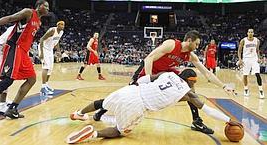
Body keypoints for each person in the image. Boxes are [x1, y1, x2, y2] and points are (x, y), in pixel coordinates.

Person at [94, 30, 235, 134]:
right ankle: (101, 109)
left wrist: (223, 86)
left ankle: (196, 121)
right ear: (190, 40)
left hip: (164, 73)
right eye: (197, 44)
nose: (197, 47)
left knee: (189, 87)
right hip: (147, 71)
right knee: (126, 96)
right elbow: (148, 59)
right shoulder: (171, 44)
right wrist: (149, 81)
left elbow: (206, 73)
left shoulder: (190, 56)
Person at [67, 69, 239, 144]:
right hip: (138, 105)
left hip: (131, 90)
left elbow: (147, 78)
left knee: (101, 103)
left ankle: (79, 113)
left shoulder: (168, 74)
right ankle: (94, 134)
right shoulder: (188, 92)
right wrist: (228, 119)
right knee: (119, 130)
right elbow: (207, 110)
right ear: (191, 81)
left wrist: (138, 86)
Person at [0, 0, 49, 130]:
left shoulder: (39, 22)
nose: (47, 8)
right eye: (45, 5)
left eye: (48, 6)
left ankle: (12, 109)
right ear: (38, 6)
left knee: (32, 79)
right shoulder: (28, 13)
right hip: (15, 48)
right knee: (7, 80)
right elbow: (11, 18)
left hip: (23, 51)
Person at [0, 25, 15, 114]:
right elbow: (6, 44)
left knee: (6, 76)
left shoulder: (15, 27)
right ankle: (2, 104)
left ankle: (4, 99)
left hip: (1, 49)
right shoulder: (15, 28)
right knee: (5, 77)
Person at [39, 21, 65, 96]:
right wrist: (41, 53)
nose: (63, 26)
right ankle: (43, 87)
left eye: (64, 25)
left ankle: (46, 85)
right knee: (46, 67)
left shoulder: (61, 32)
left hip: (50, 50)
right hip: (43, 48)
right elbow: (41, 39)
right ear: (57, 25)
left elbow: (57, 42)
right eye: (61, 24)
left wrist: (59, 51)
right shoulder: (52, 30)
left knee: (50, 68)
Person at [237, 28, 264, 99]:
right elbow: (239, 51)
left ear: (253, 33)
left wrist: (259, 58)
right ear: (247, 33)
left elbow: (257, 50)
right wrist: (240, 59)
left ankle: (261, 91)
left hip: (254, 59)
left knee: (257, 73)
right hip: (246, 59)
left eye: (252, 32)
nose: (250, 33)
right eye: (249, 32)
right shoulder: (243, 40)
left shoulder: (257, 40)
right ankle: (246, 89)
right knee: (245, 75)